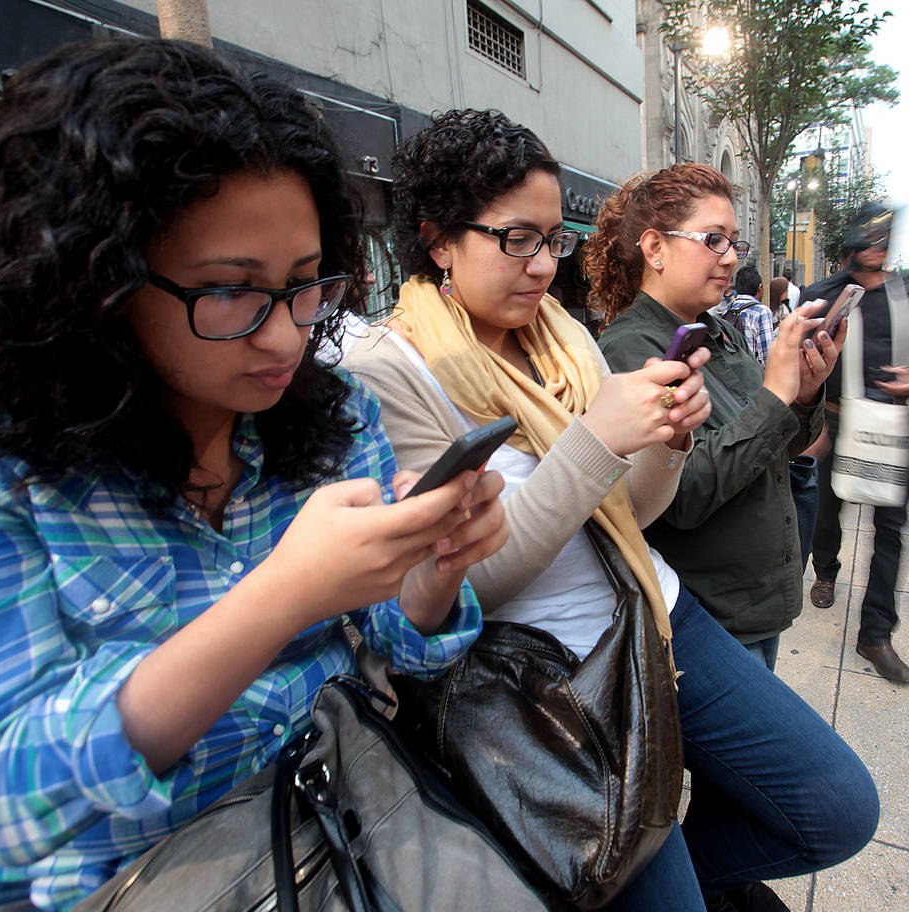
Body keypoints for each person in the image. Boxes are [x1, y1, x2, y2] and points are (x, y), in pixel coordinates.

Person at [0, 40, 511, 912]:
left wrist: (434, 568)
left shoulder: (330, 412)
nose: (284, 335)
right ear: (95, 278)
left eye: (305, 285)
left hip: (339, 829)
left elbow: (402, 647)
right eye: (228, 291)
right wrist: (280, 598)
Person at [345, 109, 877, 912]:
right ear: (439, 239)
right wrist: (596, 441)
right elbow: (464, 588)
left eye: (552, 240)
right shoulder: (393, 367)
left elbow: (632, 510)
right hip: (547, 685)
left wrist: (666, 441)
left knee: (837, 808)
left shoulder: (562, 335)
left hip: (657, 613)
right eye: (516, 239)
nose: (540, 266)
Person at [593, 163, 840, 671]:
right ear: (655, 248)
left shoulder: (719, 330)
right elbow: (683, 495)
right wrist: (775, 396)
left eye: (733, 243)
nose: (729, 257)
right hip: (707, 616)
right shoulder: (632, 348)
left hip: (757, 602)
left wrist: (803, 394)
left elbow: (778, 448)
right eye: (713, 239)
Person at [806, 203, 909, 683]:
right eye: (869, 238)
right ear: (852, 242)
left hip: (893, 427)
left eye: (884, 239)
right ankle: (826, 570)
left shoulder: (904, 293)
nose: (877, 247)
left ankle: (876, 632)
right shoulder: (825, 295)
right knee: (829, 512)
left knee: (891, 528)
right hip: (835, 422)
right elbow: (801, 360)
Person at [713, 264, 775, 365]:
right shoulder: (762, 311)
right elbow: (767, 355)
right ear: (760, 287)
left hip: (733, 368)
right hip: (752, 369)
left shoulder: (728, 308)